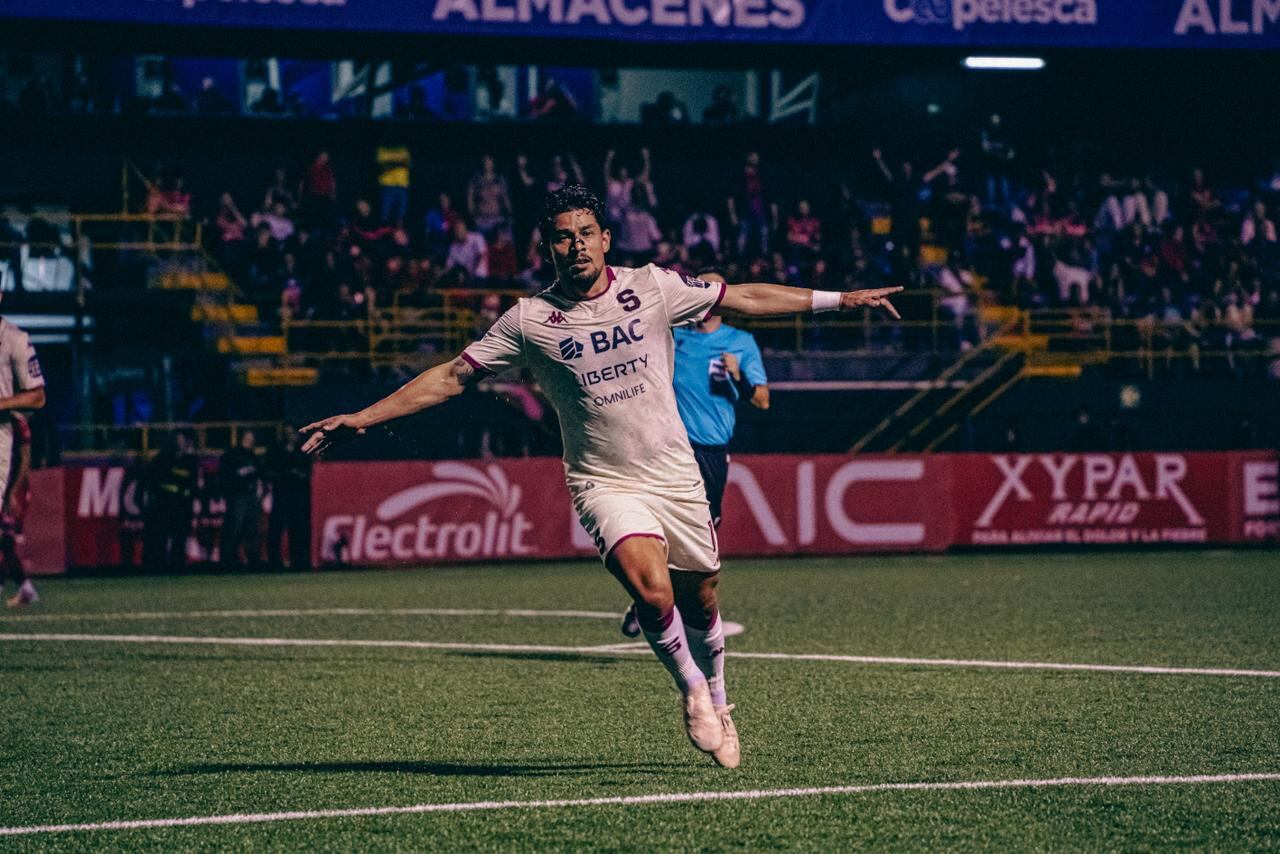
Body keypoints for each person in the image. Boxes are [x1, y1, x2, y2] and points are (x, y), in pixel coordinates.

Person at [301, 186, 901, 769]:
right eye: (564, 238)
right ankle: (691, 686)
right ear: (548, 247)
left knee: (703, 594)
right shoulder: (529, 320)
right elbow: (453, 377)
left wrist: (841, 299)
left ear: (606, 238)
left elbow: (742, 296)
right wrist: (363, 418)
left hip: (675, 474)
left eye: (587, 233)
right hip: (602, 481)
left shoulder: (654, 287)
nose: (578, 246)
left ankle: (719, 694)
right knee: (650, 587)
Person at [620, 268, 768, 638]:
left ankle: (652, 602)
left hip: (712, 451)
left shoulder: (739, 343)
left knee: (700, 536)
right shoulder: (673, 338)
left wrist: (739, 377)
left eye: (711, 289)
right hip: (668, 447)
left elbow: (762, 401)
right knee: (662, 529)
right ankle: (654, 600)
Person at [0, 311, 44, 604]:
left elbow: (37, 396)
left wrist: (16, 489)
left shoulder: (15, 339)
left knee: (5, 536)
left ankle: (23, 586)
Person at [142, 431, 197, 572]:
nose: (180, 442)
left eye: (182, 439)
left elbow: (192, 482)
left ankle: (177, 565)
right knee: (161, 536)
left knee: (180, 536)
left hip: (182, 504)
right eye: (178, 439)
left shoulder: (189, 460)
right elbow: (154, 480)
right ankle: (158, 566)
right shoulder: (163, 458)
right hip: (165, 503)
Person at [2, 413, 37, 607]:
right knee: (5, 543)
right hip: (4, 488)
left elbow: (25, 460)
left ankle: (25, 589)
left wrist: (13, 492)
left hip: (14, 490)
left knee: (5, 540)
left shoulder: (18, 423)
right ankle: (26, 589)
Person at [265, 430, 312, 571]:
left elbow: (307, 472)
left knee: (298, 530)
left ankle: (299, 562)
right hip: (281, 496)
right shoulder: (276, 451)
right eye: (288, 433)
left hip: (298, 498)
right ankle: (274, 563)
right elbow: (269, 470)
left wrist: (297, 476)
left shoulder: (302, 451)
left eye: (292, 433)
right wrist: (286, 475)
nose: (291, 436)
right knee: (276, 530)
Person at [219, 430, 263, 569]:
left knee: (252, 528)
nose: (249, 441)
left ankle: (252, 560)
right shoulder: (232, 455)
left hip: (250, 495)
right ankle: (229, 560)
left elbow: (258, 474)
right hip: (237, 496)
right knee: (234, 527)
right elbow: (226, 477)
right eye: (247, 438)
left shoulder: (252, 456)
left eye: (251, 439)